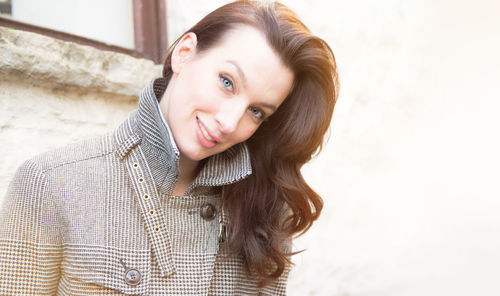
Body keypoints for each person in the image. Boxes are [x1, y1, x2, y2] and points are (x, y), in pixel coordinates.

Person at [0, 0, 338, 295]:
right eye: (227, 82)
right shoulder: (50, 184)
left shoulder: (264, 210)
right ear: (184, 53)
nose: (230, 122)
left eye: (256, 111)